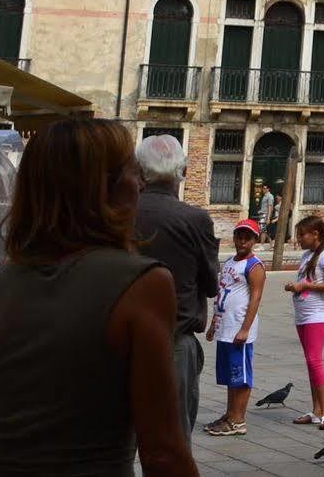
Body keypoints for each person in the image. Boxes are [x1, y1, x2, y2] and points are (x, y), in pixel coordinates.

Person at [0, 118, 197, 477]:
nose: (139, 184)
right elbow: (163, 454)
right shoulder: (143, 285)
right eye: (131, 173)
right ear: (103, 189)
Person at [131, 134, 218, 440]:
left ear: (139, 171)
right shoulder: (195, 220)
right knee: (174, 440)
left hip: (123, 338)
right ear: (182, 171)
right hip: (174, 338)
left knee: (120, 443)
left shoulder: (121, 214)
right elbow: (210, 284)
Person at [204, 219, 266, 437]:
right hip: (225, 326)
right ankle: (230, 414)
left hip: (238, 328)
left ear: (255, 240)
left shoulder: (254, 265)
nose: (242, 241)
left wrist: (245, 329)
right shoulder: (230, 262)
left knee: (241, 376)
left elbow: (256, 297)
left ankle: (238, 419)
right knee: (231, 376)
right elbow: (222, 294)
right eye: (239, 236)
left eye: (247, 237)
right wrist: (213, 324)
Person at [286, 215, 324, 426]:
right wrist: (296, 286)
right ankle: (316, 409)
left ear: (315, 234)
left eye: (302, 234)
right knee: (310, 362)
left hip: (316, 315)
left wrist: (305, 286)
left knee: (315, 361)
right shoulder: (307, 256)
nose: (299, 239)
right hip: (302, 314)